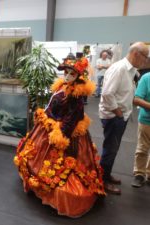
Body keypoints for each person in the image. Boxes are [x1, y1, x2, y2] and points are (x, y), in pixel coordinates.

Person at [14, 53, 105, 218]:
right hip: (48, 126)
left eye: (72, 73)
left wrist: (60, 135)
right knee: (34, 156)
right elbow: (51, 105)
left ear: (79, 76)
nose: (68, 76)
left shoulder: (76, 97)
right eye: (66, 72)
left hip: (63, 133)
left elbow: (71, 120)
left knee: (62, 167)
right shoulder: (62, 86)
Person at [99, 42, 149, 195]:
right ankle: (103, 181)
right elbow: (107, 93)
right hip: (114, 117)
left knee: (113, 149)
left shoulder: (130, 70)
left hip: (119, 116)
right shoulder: (120, 68)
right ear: (136, 54)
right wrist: (118, 113)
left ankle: (106, 175)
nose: (147, 60)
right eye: (145, 56)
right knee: (110, 149)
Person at [131, 71, 150, 188]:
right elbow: (137, 99)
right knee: (142, 148)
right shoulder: (146, 78)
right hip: (146, 121)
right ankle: (139, 174)